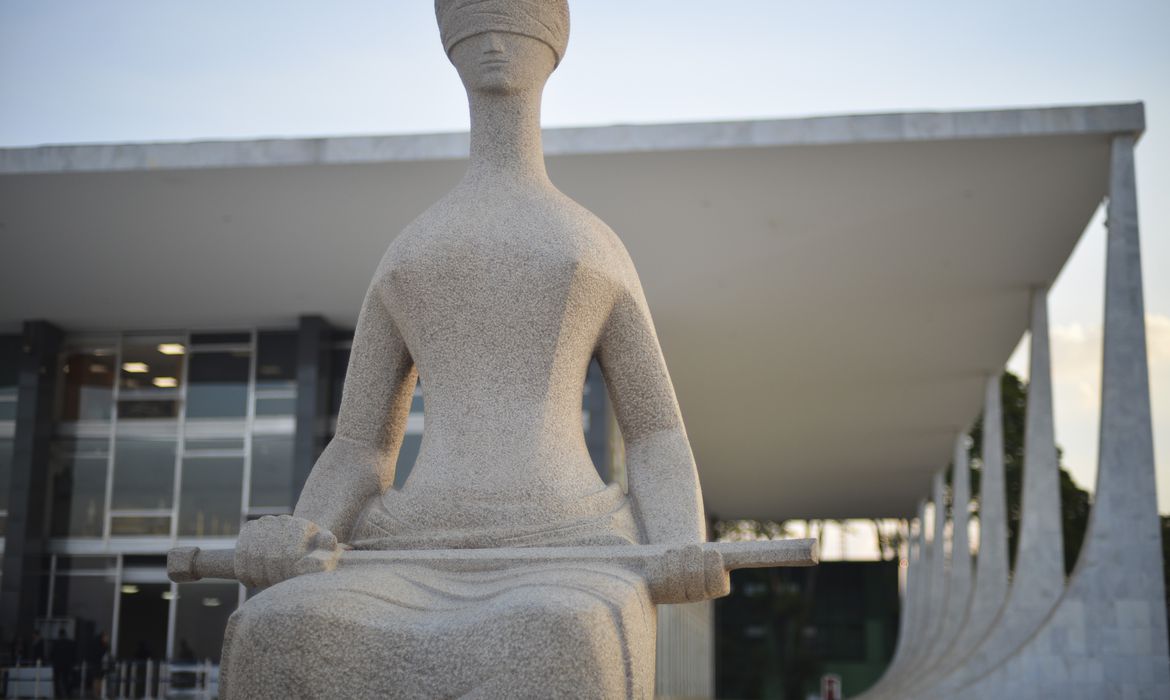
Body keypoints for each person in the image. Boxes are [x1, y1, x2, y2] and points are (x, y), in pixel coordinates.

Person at [220, 2, 722, 697]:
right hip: (409, 543)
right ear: (448, 47)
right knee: (275, 631)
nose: (492, 39)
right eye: (476, 20)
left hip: (570, 544)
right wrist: (302, 530)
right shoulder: (411, 252)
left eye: (512, 18)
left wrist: (678, 539)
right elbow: (362, 445)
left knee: (555, 636)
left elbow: (657, 430)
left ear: (553, 46)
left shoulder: (590, 246)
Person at [51, 629, 76, 699]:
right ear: (65, 634)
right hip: (67, 665)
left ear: (59, 635)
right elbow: (73, 654)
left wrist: (52, 661)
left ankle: (57, 694)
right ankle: (68, 694)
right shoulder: (70, 643)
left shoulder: (55, 643)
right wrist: (73, 663)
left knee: (56, 679)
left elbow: (52, 654)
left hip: (57, 665)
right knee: (66, 680)